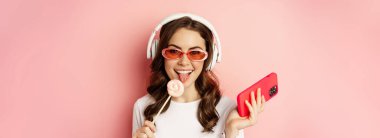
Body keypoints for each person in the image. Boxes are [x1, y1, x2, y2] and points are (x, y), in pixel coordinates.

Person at [132, 13, 265, 138]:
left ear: (209, 60)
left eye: (195, 53)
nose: (184, 62)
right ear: (160, 54)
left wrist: (231, 131)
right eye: (173, 51)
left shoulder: (228, 109)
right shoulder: (142, 106)